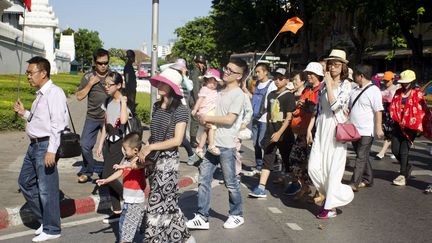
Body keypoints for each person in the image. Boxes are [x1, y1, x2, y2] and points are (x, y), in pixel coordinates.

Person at [186, 58, 247, 230]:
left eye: (231, 71)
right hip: (211, 144)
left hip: (226, 145)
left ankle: (236, 214)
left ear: (240, 76)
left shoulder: (238, 95)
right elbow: (206, 110)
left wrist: (208, 118)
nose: (226, 72)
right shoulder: (218, 91)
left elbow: (229, 119)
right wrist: (200, 116)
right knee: (203, 179)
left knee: (231, 183)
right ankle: (202, 216)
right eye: (226, 68)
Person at [14, 56, 68, 242]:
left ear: (43, 73)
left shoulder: (55, 93)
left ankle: (53, 228)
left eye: (31, 72)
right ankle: (46, 220)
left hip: (46, 145)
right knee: (25, 182)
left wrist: (51, 150)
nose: (28, 76)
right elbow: (40, 121)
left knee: (47, 189)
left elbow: (58, 124)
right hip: (34, 145)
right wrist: (24, 114)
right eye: (27, 73)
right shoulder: (40, 95)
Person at [139, 68, 195, 242]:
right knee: (168, 203)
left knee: (156, 204)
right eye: (159, 82)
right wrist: (144, 149)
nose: (159, 85)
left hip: (168, 161)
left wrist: (151, 147)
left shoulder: (181, 110)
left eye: (164, 83)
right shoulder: (156, 106)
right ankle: (184, 237)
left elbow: (177, 140)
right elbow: (154, 135)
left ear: (172, 87)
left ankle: (153, 239)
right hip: (154, 160)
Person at [307, 49, 354, 219]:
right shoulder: (322, 85)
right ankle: (335, 194)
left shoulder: (346, 85)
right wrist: (309, 128)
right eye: (330, 64)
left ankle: (330, 206)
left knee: (333, 169)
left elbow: (335, 106)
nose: (333, 67)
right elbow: (318, 109)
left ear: (343, 67)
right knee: (314, 167)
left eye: (336, 64)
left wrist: (328, 84)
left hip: (336, 129)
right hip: (321, 128)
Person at [248, 68, 296, 198]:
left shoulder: (289, 96)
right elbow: (269, 114)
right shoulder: (271, 95)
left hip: (284, 134)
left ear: (287, 80)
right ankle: (261, 187)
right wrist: (269, 132)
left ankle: (295, 183)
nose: (277, 81)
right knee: (267, 159)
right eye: (275, 78)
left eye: (281, 78)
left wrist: (279, 133)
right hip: (270, 132)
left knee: (286, 160)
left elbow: (289, 117)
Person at [96, 132, 145, 243]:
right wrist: (106, 180)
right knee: (123, 224)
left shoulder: (139, 161)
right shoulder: (126, 159)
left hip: (135, 201)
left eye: (125, 149)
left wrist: (123, 165)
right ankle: (143, 222)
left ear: (135, 150)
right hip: (128, 200)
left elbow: (134, 166)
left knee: (126, 229)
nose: (123, 151)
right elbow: (119, 173)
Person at [96, 72, 131, 224]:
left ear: (119, 85)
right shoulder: (108, 101)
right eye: (105, 84)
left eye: (110, 85)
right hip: (109, 143)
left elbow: (123, 120)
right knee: (108, 175)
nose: (106, 87)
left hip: (120, 144)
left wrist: (123, 102)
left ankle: (129, 199)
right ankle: (117, 212)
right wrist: (99, 143)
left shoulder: (123, 104)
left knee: (107, 174)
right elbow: (105, 125)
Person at [285, 64, 322, 199]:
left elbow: (318, 109)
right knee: (294, 160)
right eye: (308, 73)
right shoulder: (307, 88)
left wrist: (306, 105)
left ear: (318, 75)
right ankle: (305, 187)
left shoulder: (321, 89)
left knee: (314, 164)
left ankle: (319, 190)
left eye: (312, 73)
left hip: (314, 131)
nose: (309, 76)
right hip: (302, 130)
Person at [390, 70, 432, 186]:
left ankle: (402, 175)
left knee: (404, 150)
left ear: (412, 82)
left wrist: (420, 126)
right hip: (398, 124)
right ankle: (407, 166)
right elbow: (393, 106)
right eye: (403, 82)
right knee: (394, 149)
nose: (404, 84)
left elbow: (423, 111)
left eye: (407, 82)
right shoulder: (398, 92)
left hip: (411, 126)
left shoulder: (418, 94)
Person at [76, 48, 110, 183]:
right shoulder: (88, 76)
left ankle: (107, 172)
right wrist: (90, 83)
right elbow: (78, 96)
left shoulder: (112, 75)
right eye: (100, 63)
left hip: (109, 118)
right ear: (94, 63)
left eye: (106, 63)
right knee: (84, 145)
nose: (103, 65)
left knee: (109, 146)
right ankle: (88, 170)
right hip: (92, 116)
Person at [349, 64, 384, 192]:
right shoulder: (354, 90)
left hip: (366, 130)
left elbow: (378, 110)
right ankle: (368, 179)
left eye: (355, 75)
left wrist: (378, 128)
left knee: (360, 156)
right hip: (353, 130)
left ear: (361, 76)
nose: (353, 78)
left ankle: (354, 182)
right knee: (361, 155)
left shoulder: (374, 90)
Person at [247, 63, 277, 173]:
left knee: (261, 142)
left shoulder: (271, 85)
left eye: (259, 71)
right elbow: (253, 98)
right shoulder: (258, 84)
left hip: (264, 119)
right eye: (256, 72)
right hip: (255, 117)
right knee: (255, 143)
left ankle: (269, 163)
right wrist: (245, 90)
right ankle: (259, 164)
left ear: (265, 72)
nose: (257, 74)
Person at [191, 69, 224, 158]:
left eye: (215, 83)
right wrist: (195, 109)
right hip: (206, 111)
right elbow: (200, 100)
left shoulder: (215, 91)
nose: (213, 85)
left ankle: (199, 148)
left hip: (210, 110)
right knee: (212, 127)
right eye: (210, 82)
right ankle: (211, 145)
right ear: (205, 81)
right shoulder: (205, 89)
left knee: (206, 130)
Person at [170, 59, 197, 166]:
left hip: (182, 109)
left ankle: (191, 155)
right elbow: (163, 69)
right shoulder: (174, 78)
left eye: (180, 67)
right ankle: (173, 155)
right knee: (172, 133)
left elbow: (190, 87)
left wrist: (184, 74)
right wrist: (173, 67)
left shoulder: (188, 81)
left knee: (180, 137)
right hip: (172, 108)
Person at [376, 71, 398, 160]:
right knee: (388, 133)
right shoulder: (382, 89)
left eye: (388, 80)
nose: (386, 82)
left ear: (392, 80)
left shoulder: (397, 89)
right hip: (385, 113)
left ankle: (382, 152)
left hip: (394, 113)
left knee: (390, 133)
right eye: (384, 80)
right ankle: (395, 151)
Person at [189, 54, 207, 147]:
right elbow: (196, 89)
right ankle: (192, 140)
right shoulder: (196, 73)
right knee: (195, 120)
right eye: (201, 63)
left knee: (197, 119)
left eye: (203, 63)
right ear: (197, 63)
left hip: (197, 99)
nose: (203, 64)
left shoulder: (199, 72)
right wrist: (197, 103)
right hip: (195, 100)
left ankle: (195, 139)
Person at [124, 50, 137, 114]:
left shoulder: (129, 66)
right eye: (133, 57)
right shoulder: (128, 67)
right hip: (130, 91)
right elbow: (127, 80)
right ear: (131, 57)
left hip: (131, 91)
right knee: (130, 109)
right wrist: (130, 93)